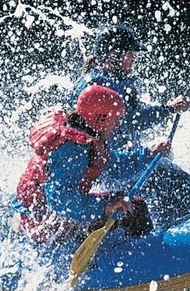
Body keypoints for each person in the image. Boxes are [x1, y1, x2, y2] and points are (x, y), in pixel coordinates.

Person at [70, 23, 190, 225]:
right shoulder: (97, 87)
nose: (133, 59)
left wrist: (168, 110)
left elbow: (134, 119)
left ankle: (171, 223)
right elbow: (134, 120)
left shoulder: (114, 81)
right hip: (112, 167)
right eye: (130, 53)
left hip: (118, 161)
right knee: (177, 180)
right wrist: (147, 151)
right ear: (113, 55)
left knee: (168, 174)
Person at [11, 84, 171, 246]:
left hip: (31, 213)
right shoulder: (74, 149)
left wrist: (148, 154)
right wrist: (105, 205)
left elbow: (115, 166)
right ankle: (142, 261)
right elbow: (60, 200)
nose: (117, 125)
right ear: (100, 119)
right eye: (115, 119)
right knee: (135, 209)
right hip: (39, 223)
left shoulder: (82, 136)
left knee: (123, 201)